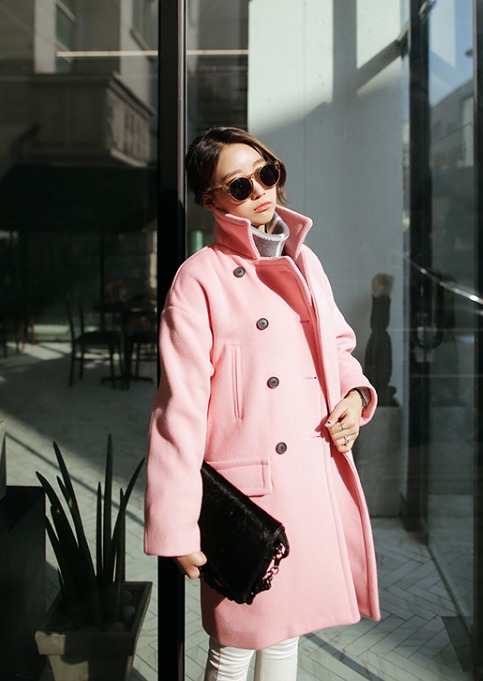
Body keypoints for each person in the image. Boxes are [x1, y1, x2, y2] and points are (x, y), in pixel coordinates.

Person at [144, 126, 380, 681]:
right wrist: (176, 525)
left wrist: (354, 394)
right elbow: (178, 410)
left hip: (307, 477)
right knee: (233, 648)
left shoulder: (304, 260)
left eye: (266, 174)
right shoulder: (198, 279)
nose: (260, 191)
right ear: (211, 201)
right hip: (248, 497)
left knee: (285, 637)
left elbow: (337, 347)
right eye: (239, 185)